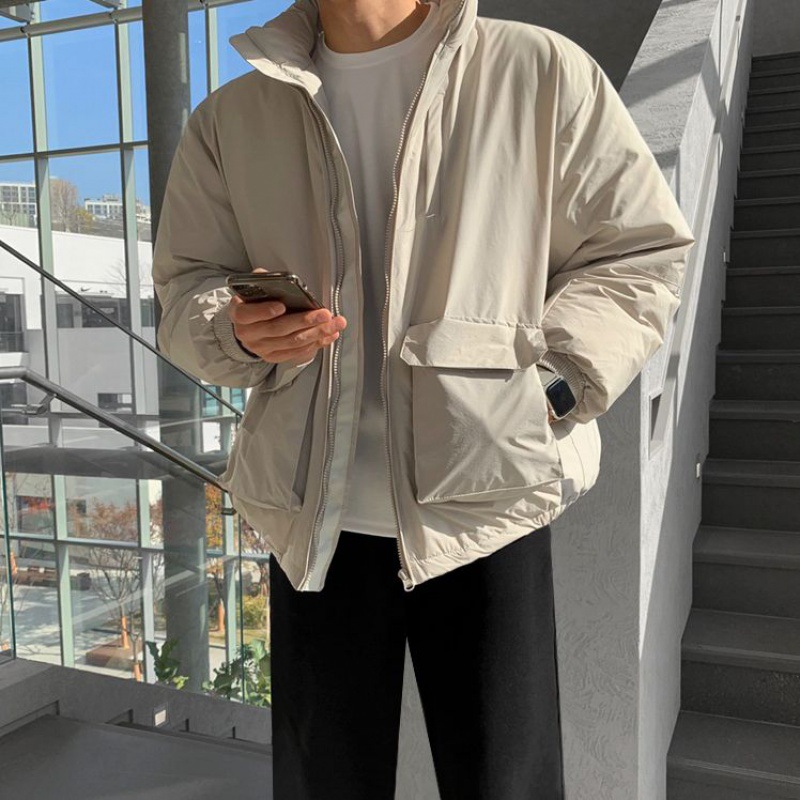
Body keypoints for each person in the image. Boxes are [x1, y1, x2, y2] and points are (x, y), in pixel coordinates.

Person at [152, 0, 696, 796]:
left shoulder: (537, 70)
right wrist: (235, 330)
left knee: (506, 783)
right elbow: (183, 291)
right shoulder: (232, 117)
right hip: (310, 517)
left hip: (488, 501)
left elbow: (638, 253)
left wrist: (551, 388)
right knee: (322, 784)